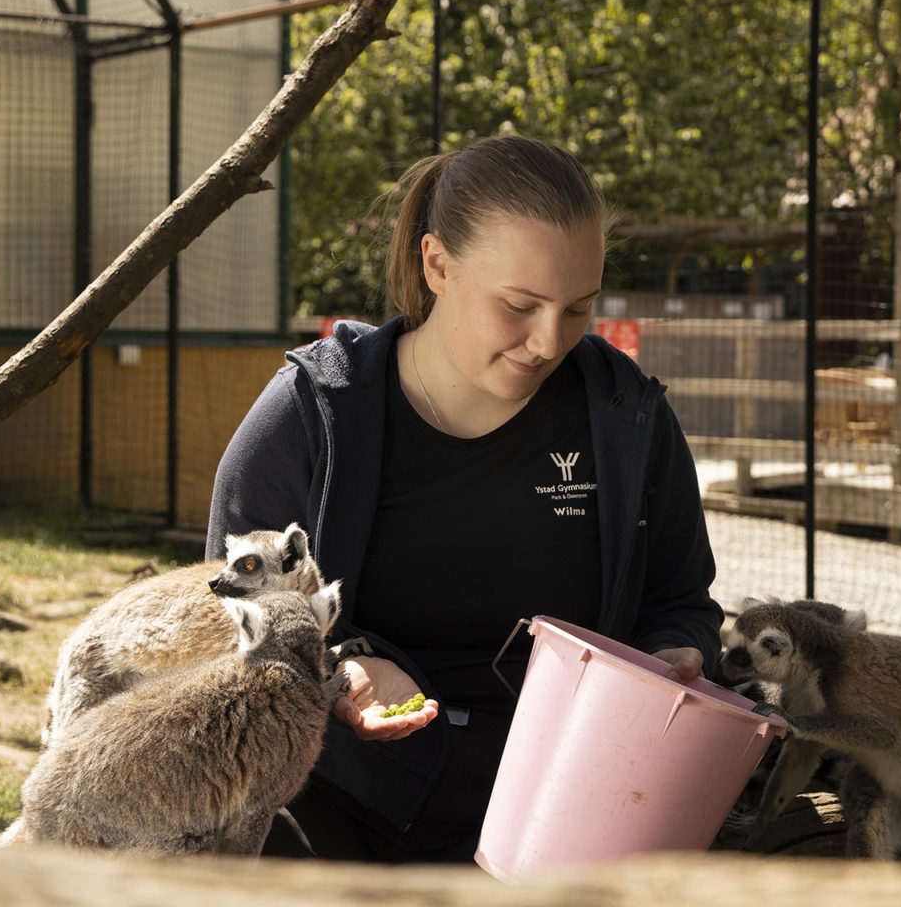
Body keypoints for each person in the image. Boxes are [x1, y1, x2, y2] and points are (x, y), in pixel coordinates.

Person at [206, 133, 723, 862]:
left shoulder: (625, 417)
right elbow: (231, 620)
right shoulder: (312, 414)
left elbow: (682, 600)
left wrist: (675, 653)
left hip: (567, 812)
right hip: (332, 803)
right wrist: (342, 668)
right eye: (520, 305)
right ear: (437, 263)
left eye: (579, 309)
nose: (549, 341)